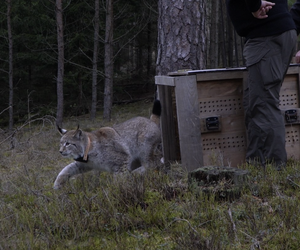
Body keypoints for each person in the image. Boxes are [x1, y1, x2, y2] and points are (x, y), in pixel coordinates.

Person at [226, 0, 300, 170]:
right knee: (254, 102)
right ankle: (256, 167)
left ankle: (274, 171)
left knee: (264, 104)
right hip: (272, 34)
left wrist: (254, 5)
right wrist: (288, 23)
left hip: (266, 36)